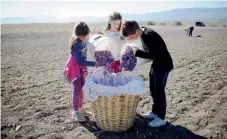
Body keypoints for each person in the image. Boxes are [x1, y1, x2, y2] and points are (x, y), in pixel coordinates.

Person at [121, 20, 174, 127]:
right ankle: (155, 112)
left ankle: (161, 117)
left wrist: (136, 52)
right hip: (156, 64)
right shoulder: (143, 31)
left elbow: (153, 54)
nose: (130, 39)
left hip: (163, 65)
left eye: (130, 37)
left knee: (159, 90)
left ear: (136, 31)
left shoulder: (149, 36)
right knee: (153, 89)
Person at [64, 22, 100, 122]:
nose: (85, 37)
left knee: (82, 89)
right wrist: (95, 64)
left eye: (86, 35)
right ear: (78, 34)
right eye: (83, 35)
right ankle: (75, 112)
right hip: (75, 68)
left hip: (81, 68)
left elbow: (92, 40)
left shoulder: (85, 39)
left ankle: (80, 109)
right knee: (77, 91)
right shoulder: (76, 44)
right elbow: (79, 61)